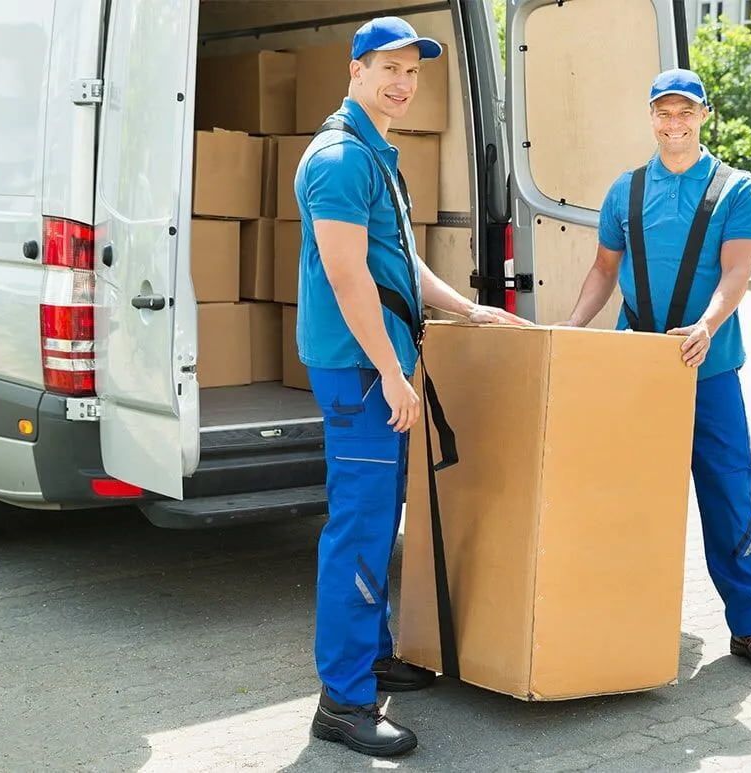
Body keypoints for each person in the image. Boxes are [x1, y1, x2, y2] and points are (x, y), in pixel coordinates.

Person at [294, 16, 529, 758]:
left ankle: (374, 655)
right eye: (389, 68)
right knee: (360, 527)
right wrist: (394, 375)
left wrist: (465, 306)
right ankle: (343, 699)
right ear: (356, 69)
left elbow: (399, 264)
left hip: (378, 362)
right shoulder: (339, 158)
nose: (403, 82)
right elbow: (347, 273)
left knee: (380, 516)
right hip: (361, 370)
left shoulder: (376, 154)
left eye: (414, 71)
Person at [558, 68, 751, 677]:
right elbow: (602, 272)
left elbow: (737, 272)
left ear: (703, 116)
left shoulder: (737, 191)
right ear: (651, 118)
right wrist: (571, 328)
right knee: (623, 496)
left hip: (708, 368)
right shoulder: (626, 191)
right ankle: (620, 621)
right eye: (663, 113)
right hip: (634, 370)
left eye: (684, 112)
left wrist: (706, 327)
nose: (673, 123)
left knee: (728, 493)